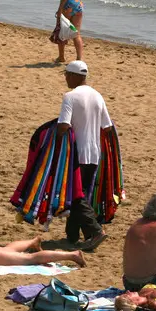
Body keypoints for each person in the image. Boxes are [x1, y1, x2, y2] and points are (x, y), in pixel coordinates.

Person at [56, 60, 110, 251]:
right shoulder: (97, 96)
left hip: (77, 153)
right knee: (82, 194)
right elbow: (108, 127)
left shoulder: (70, 96)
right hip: (94, 154)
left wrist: (52, 141)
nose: (65, 78)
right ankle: (72, 236)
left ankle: (95, 231)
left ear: (74, 75)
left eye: (66, 74)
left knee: (75, 195)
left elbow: (63, 125)